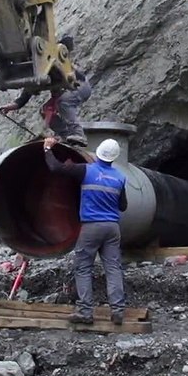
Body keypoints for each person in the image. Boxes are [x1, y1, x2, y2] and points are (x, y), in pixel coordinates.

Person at [42, 136, 128, 325]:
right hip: (112, 228)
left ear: (98, 154)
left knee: (83, 267)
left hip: (92, 227)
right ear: (114, 158)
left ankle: (85, 312)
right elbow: (123, 206)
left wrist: (48, 148)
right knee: (113, 268)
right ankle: (118, 312)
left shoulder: (86, 170)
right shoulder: (120, 177)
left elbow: (55, 168)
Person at [0, 33, 92, 146]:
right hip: (62, 92)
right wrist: (11, 106)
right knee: (45, 110)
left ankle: (78, 134)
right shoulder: (35, 72)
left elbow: (66, 44)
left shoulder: (49, 61)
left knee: (64, 102)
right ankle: (66, 135)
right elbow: (26, 94)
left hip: (80, 86)